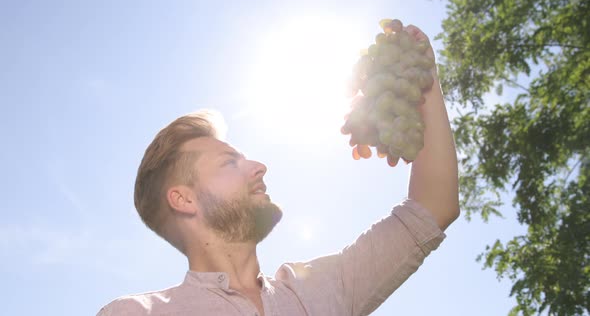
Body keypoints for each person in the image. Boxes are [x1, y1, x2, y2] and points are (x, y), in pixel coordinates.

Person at [97, 24, 459, 316]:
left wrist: (420, 77)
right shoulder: (133, 313)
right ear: (183, 199)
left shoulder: (322, 289)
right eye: (229, 162)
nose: (259, 166)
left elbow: (433, 207)